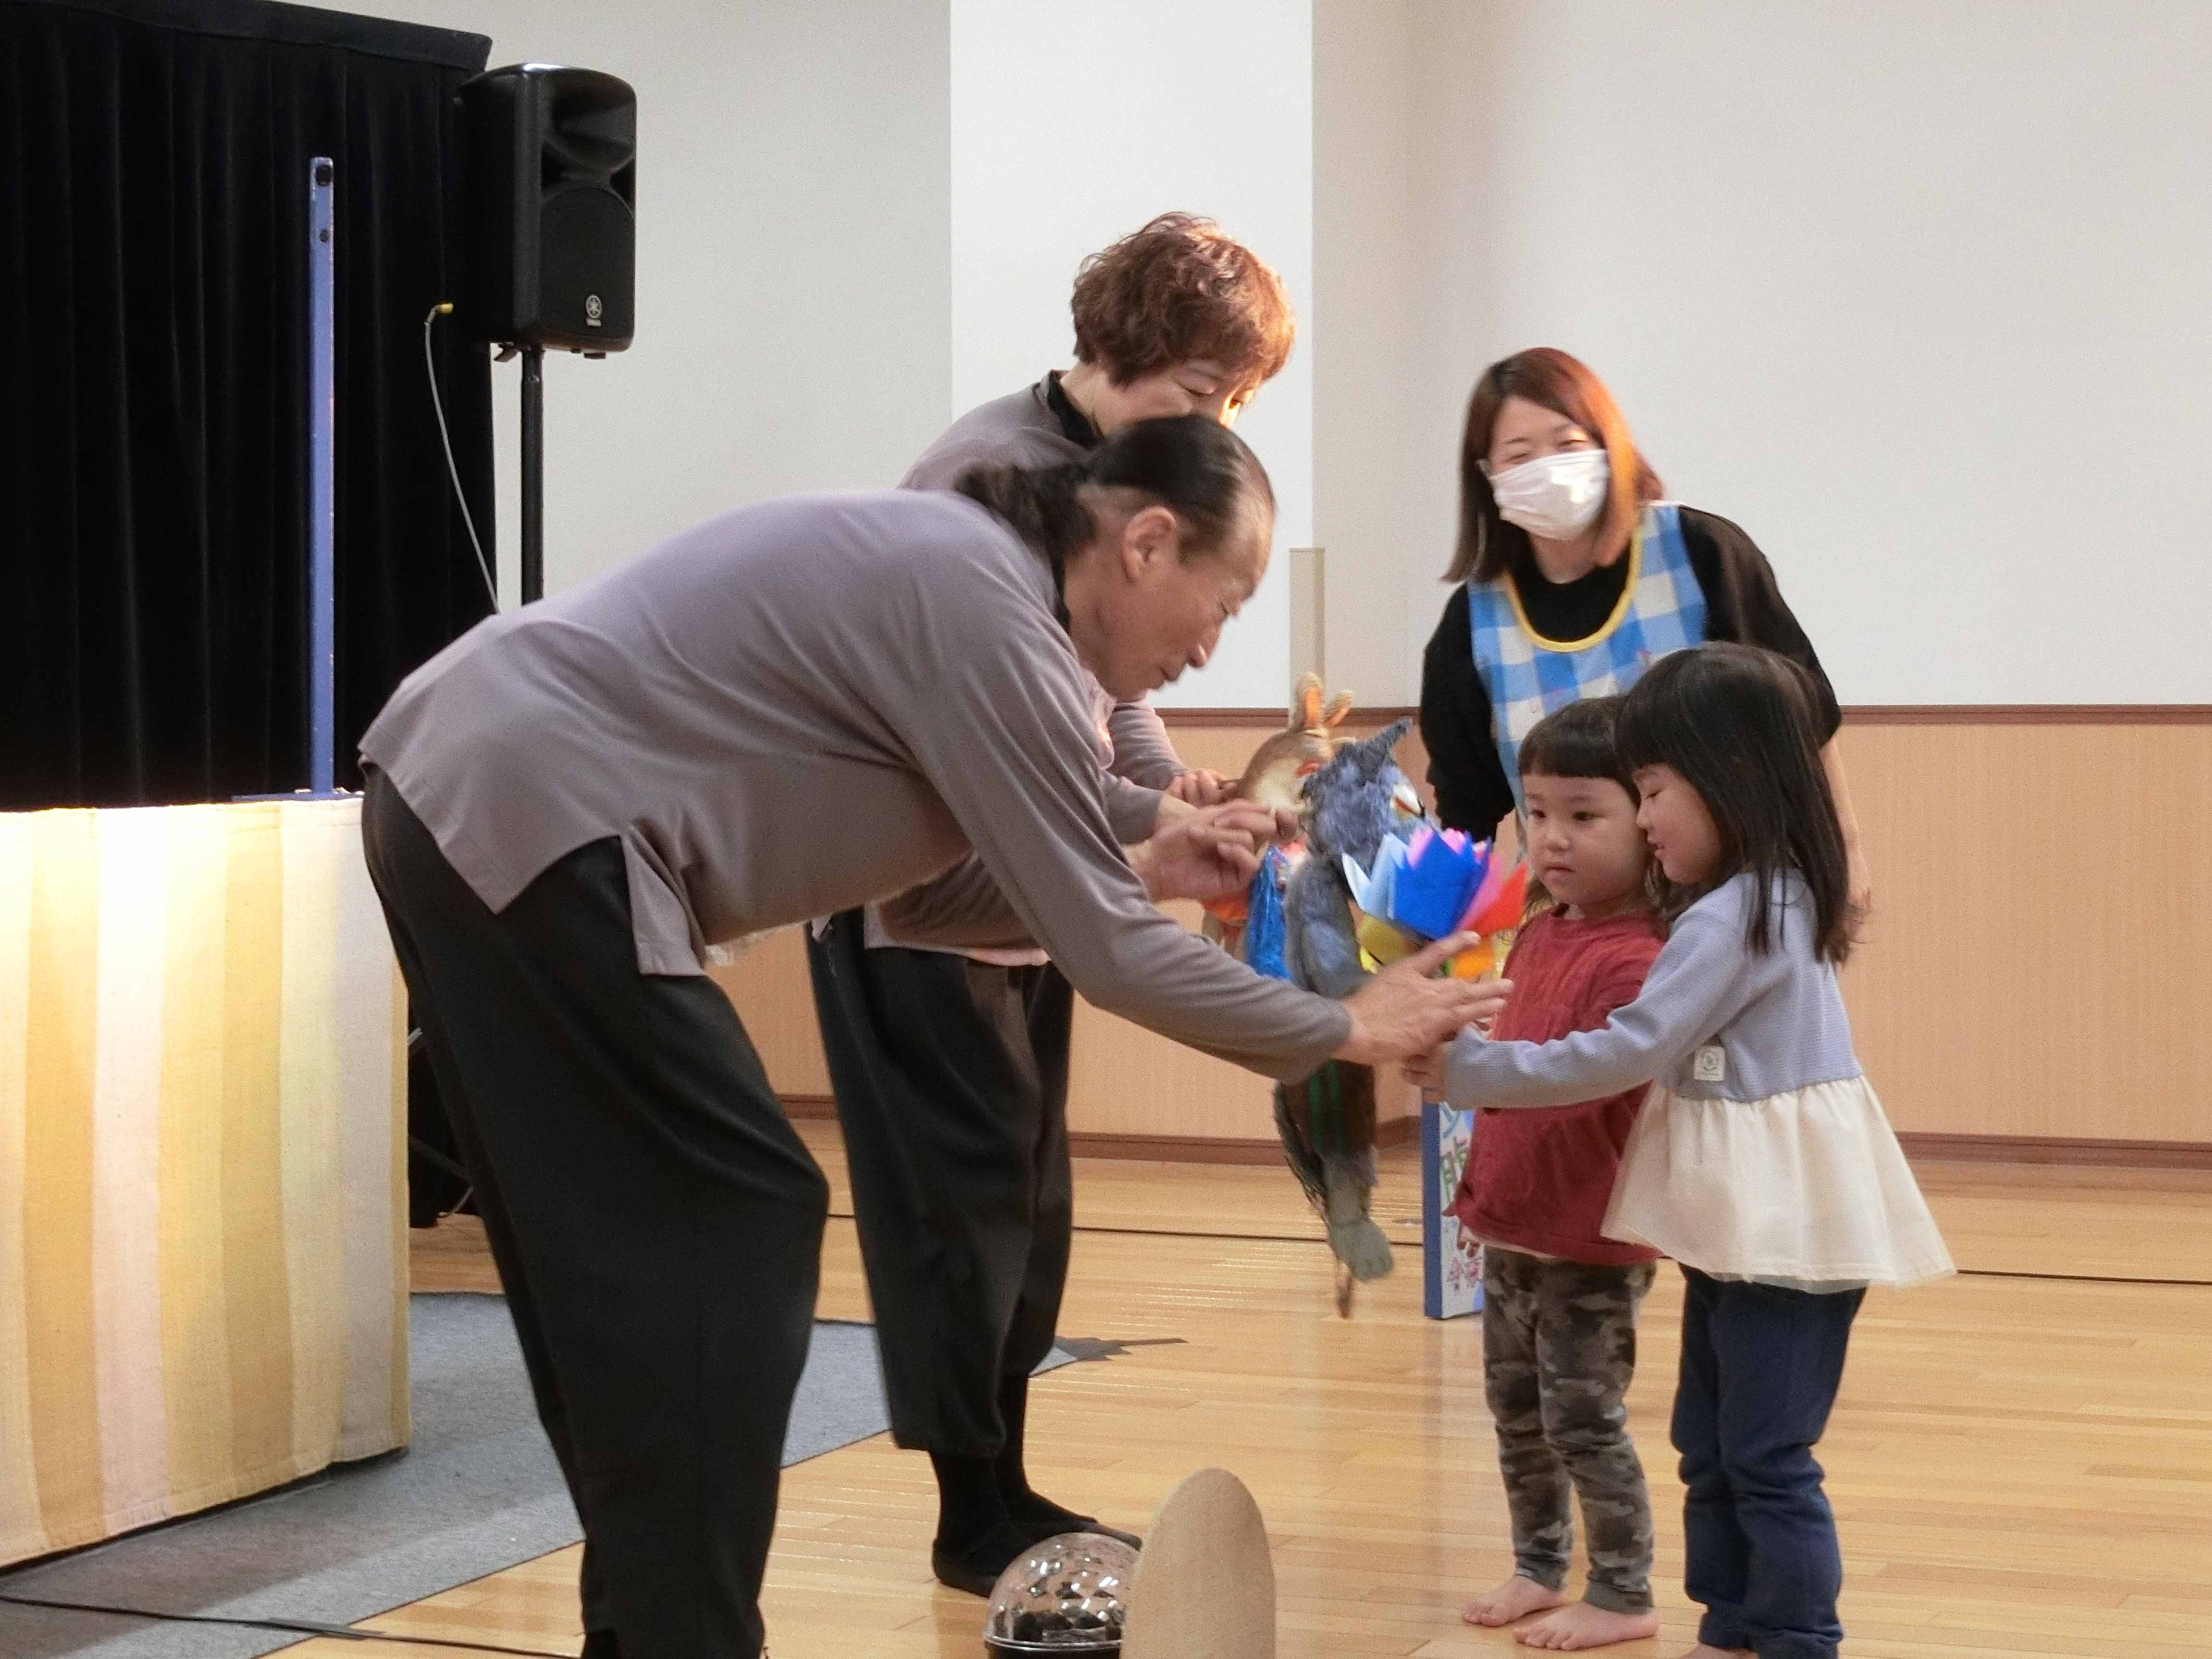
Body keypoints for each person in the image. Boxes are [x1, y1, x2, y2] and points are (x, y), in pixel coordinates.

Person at [361, 415, 1504, 1659]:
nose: (1207, 648)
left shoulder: (994, 607)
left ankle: (648, 1632)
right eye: (1220, 604)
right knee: (735, 1211)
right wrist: (1345, 1025)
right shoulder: (987, 607)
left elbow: (945, 891)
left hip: (468, 788)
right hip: (529, 801)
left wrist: (1150, 853)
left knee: (617, 1261)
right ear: (1145, 542)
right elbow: (1108, 952)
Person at [807, 213, 1296, 1593]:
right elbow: (988, 725)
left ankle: (1005, 1486)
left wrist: (1167, 796)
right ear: (1126, 349)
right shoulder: (985, 477)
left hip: (1034, 880)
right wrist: (1150, 825)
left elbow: (1106, 690)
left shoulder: (1118, 476)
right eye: (1201, 390)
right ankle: (971, 1512)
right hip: (924, 892)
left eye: (1234, 403)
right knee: (958, 1215)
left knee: (1027, 1210)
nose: (1213, 424)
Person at [1410, 644, 1952, 1659]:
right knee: (1710, 1441)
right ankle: (1732, 1623)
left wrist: (1472, 1072)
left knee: (1764, 1453)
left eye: (1654, 791)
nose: (1647, 818)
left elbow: (1629, 1049)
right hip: (1738, 1227)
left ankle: (1794, 1635)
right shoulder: (1740, 901)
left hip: (1786, 1234)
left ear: (1730, 778)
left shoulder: (1749, 910)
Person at [1418, 348, 1869, 919]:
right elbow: (1467, 810)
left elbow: (1800, 715)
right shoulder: (1473, 622)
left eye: (1568, 444)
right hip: (1582, 920)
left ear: (1609, 445)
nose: (1548, 468)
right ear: (1487, 475)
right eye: (1520, 456)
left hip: (1730, 904)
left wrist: (1844, 852)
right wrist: (1436, 926)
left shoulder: (1699, 552)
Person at [1447, 697, 1664, 1650]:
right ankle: (1538, 1565)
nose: (1553, 838)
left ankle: (1621, 1589)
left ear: (1648, 821)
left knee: (1582, 1417)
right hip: (1513, 1225)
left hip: (1589, 1240)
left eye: (1583, 814)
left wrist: (1473, 1067)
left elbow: (1570, 1083)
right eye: (1536, 812)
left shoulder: (1644, 957)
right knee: (1516, 1412)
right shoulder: (1538, 932)